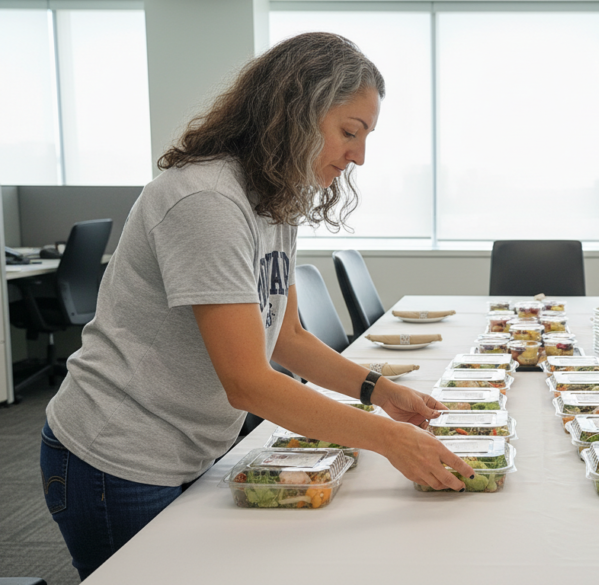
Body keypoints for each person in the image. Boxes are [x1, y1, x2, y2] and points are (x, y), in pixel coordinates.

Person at [38, 32, 475, 580]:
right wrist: (389, 440)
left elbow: (286, 338)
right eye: (349, 132)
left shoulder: (272, 199)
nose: (359, 155)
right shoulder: (207, 200)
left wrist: (380, 391)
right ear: (296, 112)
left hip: (189, 448)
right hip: (117, 457)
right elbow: (248, 382)